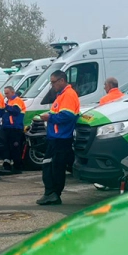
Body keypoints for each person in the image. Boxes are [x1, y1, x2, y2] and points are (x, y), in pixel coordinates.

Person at [37, 70, 79, 206]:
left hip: (60, 138)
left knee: (54, 167)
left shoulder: (68, 95)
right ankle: (51, 193)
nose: (52, 85)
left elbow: (67, 116)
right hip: (56, 137)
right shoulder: (62, 95)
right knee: (52, 166)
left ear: (62, 80)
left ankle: (52, 194)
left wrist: (50, 117)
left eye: (53, 82)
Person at [1, 86, 26, 174]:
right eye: (5, 93)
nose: (6, 95)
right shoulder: (9, 101)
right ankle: (7, 165)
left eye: (7, 93)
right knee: (7, 147)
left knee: (15, 147)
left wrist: (5, 106)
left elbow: (16, 111)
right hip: (8, 127)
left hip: (15, 128)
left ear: (12, 92)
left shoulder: (17, 100)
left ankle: (17, 166)